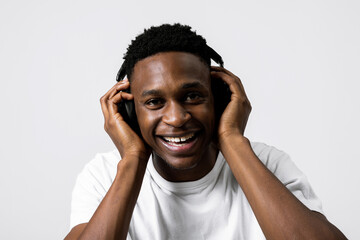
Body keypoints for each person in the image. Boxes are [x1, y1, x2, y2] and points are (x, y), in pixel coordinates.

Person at [65, 23, 347, 240]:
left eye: (192, 96)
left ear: (220, 99)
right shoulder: (102, 176)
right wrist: (133, 159)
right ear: (129, 111)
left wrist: (232, 140)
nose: (176, 118)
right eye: (154, 102)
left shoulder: (268, 163)